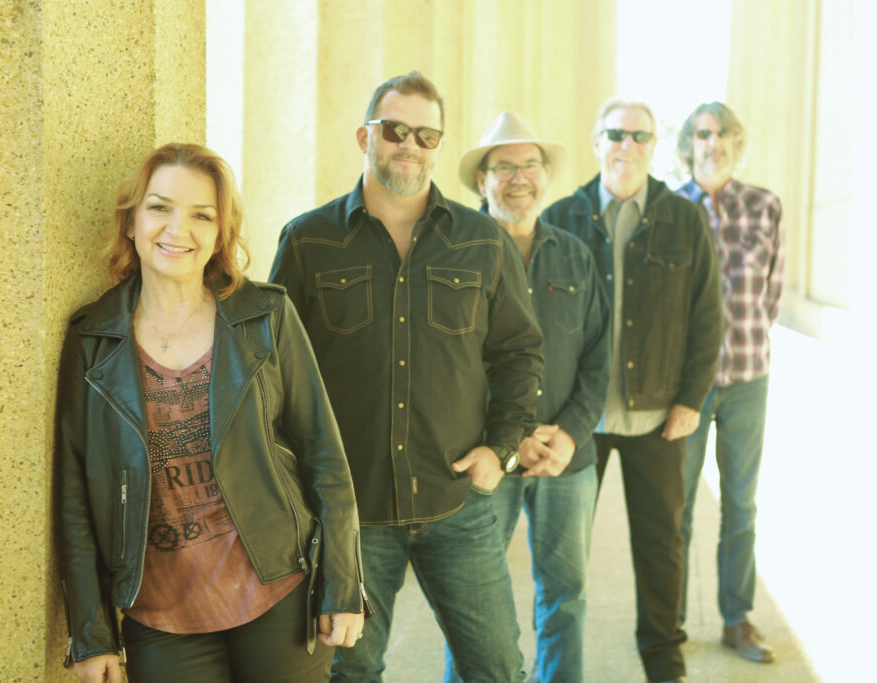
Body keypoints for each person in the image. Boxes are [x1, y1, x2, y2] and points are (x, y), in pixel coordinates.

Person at [55, 143, 367, 683]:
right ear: (131, 221)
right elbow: (74, 498)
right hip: (159, 610)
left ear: (220, 233)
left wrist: (343, 584)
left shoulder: (266, 315)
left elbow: (324, 454)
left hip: (280, 591)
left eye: (202, 215)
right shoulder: (92, 338)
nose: (179, 229)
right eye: (160, 208)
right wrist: (92, 634)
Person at [270, 72, 543, 682]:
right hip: (351, 516)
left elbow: (520, 352)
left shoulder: (481, 241)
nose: (410, 145)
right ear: (366, 135)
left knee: (497, 668)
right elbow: (273, 374)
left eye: (426, 134)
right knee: (352, 675)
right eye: (396, 130)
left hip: (458, 505)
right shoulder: (309, 241)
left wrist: (499, 451)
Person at [542, 99, 723, 683]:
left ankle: (665, 662)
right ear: (597, 142)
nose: (627, 145)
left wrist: (692, 400)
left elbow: (707, 317)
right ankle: (559, 668)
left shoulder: (683, 219)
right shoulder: (563, 217)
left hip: (658, 417)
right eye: (615, 134)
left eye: (640, 136)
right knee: (562, 559)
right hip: (579, 422)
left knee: (662, 545)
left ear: (653, 146)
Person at [450, 111, 610, 682]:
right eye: (504, 168)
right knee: (471, 604)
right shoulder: (455, 252)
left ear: (546, 176)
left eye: (530, 165)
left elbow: (598, 356)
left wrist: (567, 434)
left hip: (568, 459)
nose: (519, 178)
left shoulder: (575, 254)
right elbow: (449, 366)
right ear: (482, 180)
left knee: (566, 595)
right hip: (487, 457)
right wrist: (510, 436)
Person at [675, 102, 784, 664]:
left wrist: (740, 341)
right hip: (684, 389)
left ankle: (736, 619)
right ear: (689, 143)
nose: (712, 142)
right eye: (702, 134)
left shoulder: (765, 206)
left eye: (722, 134)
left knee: (740, 504)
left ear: (737, 143)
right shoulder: (668, 209)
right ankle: (666, 623)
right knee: (677, 506)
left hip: (746, 378)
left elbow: (772, 294)